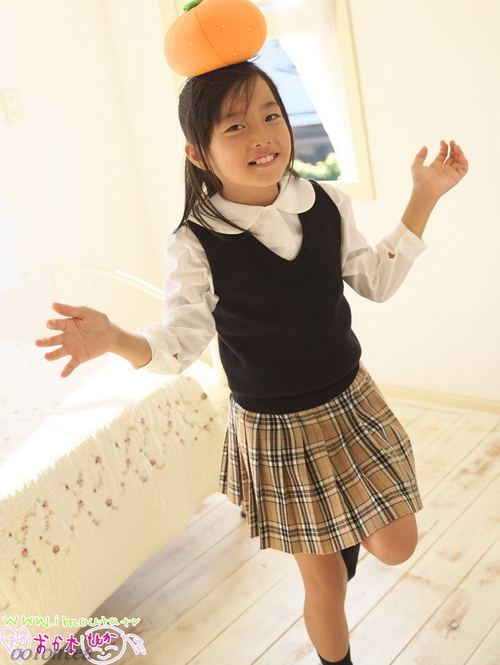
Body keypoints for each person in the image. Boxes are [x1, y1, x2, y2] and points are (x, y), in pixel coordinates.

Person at [36, 60, 468, 665]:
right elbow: (179, 344)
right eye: (235, 126)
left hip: (351, 403)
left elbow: (375, 280)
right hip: (275, 427)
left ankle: (339, 535)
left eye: (271, 115)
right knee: (325, 582)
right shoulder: (194, 242)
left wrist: (424, 195)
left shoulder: (325, 202)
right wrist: (115, 339)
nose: (261, 136)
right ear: (199, 153)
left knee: (396, 546)